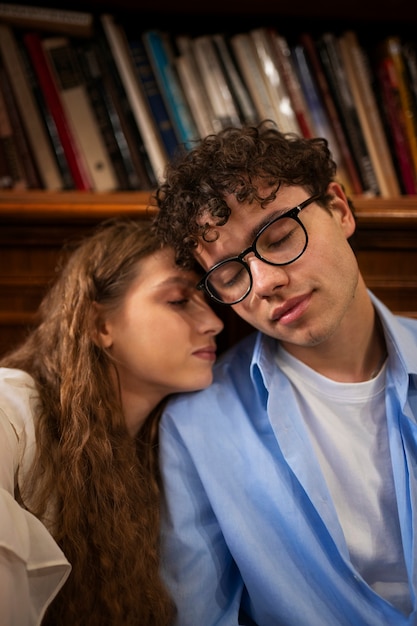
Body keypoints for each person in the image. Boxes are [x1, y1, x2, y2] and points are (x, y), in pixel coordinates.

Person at [152, 120, 417, 626]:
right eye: (230, 275)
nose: (267, 281)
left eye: (278, 237)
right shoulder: (195, 428)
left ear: (339, 210)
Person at [0, 218, 223, 626]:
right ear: (100, 324)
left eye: (207, 300)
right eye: (178, 300)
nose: (214, 323)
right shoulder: (12, 406)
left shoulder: (164, 456)